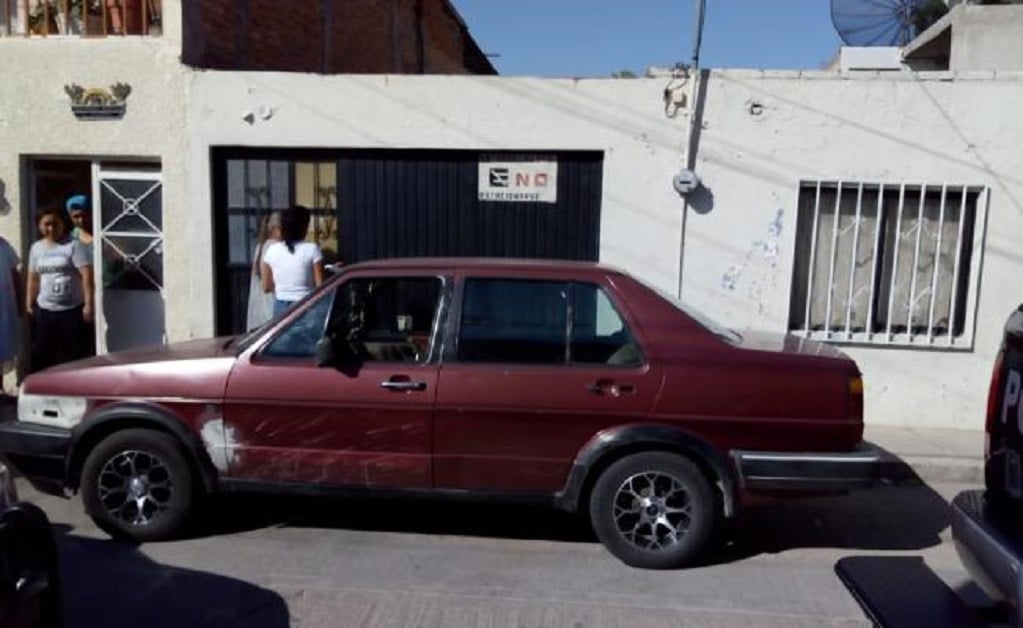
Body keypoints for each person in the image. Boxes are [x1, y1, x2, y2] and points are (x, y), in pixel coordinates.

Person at [25, 206, 94, 372]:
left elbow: (87, 275)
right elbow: (33, 279)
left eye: (55, 224)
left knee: (74, 355)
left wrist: (89, 304)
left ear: (63, 224)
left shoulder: (74, 246)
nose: (51, 228)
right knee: (42, 354)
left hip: (72, 310)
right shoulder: (36, 248)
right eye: (46, 224)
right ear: (39, 226)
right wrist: (28, 304)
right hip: (45, 310)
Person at [261, 205, 324, 315]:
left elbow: (266, 286)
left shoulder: (272, 250)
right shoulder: (312, 249)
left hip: (281, 306)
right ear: (303, 227)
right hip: (306, 304)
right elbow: (321, 286)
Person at [246, 210, 281, 330]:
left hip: (258, 308)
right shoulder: (275, 247)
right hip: (270, 306)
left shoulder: (260, 246)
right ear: (277, 228)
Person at [0, 235, 21, 394]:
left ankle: (0, 388)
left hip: (4, 305)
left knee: (3, 345)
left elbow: (15, 274)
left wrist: (21, 301)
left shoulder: (4, 245)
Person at [66, 194, 95, 261]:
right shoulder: (70, 238)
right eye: (76, 216)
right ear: (70, 217)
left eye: (85, 215)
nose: (81, 220)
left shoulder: (103, 232)